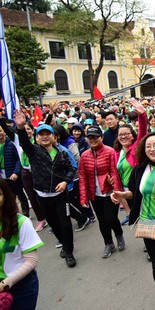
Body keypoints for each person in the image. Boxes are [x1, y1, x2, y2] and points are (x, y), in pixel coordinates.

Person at [111, 132, 155, 310]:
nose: (152, 149)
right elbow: (134, 193)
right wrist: (123, 195)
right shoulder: (139, 169)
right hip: (147, 221)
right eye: (148, 146)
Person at [14, 112, 77, 268]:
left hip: (61, 195)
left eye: (47, 133)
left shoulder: (62, 153)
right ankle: (64, 244)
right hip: (43, 196)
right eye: (41, 134)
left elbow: (71, 169)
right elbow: (23, 142)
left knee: (65, 224)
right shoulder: (33, 152)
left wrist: (65, 181)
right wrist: (21, 128)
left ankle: (69, 252)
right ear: (36, 138)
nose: (44, 136)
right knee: (54, 225)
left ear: (54, 137)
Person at [79, 126, 125, 258]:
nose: (92, 140)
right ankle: (108, 243)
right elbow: (82, 177)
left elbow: (114, 173)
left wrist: (116, 191)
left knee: (110, 218)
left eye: (95, 137)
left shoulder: (110, 152)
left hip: (109, 192)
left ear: (101, 137)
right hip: (95, 194)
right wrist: (83, 198)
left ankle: (119, 234)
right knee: (102, 221)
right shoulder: (84, 155)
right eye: (90, 138)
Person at [0, 179, 44, 309]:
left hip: (21, 287)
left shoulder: (21, 223)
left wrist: (5, 284)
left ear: (6, 196)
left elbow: (31, 261)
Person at [0, 120, 46, 231]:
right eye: (24, 129)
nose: (27, 131)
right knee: (32, 199)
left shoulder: (38, 140)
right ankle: (41, 220)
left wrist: (49, 115)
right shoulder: (17, 141)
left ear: (33, 130)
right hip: (26, 173)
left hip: (39, 172)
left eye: (29, 129)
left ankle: (52, 218)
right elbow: (6, 128)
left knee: (43, 198)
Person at [113, 99, 148, 225]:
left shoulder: (137, 147)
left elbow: (143, 130)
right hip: (127, 192)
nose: (123, 137)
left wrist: (142, 115)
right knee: (137, 220)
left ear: (133, 135)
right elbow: (116, 175)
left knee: (146, 216)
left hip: (141, 188)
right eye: (120, 135)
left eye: (126, 134)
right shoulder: (116, 153)